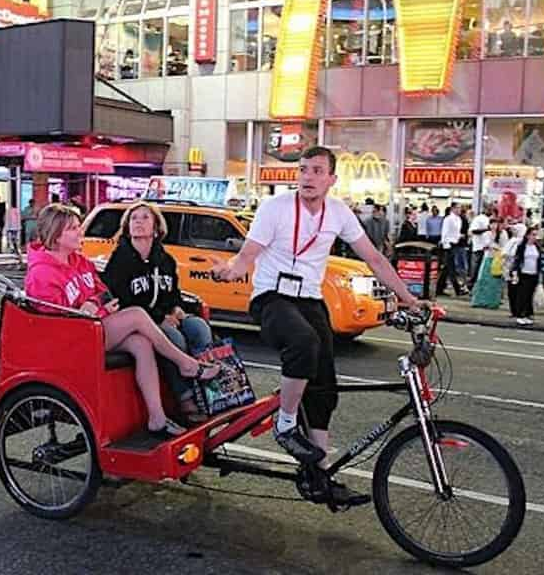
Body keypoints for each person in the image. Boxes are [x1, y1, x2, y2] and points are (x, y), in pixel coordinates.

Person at [211, 146, 429, 507]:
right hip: (272, 297)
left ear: (331, 179)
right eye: (302, 170)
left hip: (310, 301)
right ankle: (284, 426)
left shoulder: (339, 212)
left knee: (324, 384)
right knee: (304, 344)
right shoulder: (275, 207)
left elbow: (373, 257)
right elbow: (249, 254)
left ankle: (321, 473)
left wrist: (408, 297)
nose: (307, 177)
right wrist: (232, 269)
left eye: (316, 171)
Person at [25, 204, 218, 438]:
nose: (81, 232)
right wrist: (95, 310)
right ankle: (187, 365)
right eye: (73, 229)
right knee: (136, 315)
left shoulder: (79, 261)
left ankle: (157, 417)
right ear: (56, 234)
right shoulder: (42, 273)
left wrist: (95, 305)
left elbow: (104, 291)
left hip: (92, 326)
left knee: (141, 343)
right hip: (71, 339)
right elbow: (54, 320)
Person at [102, 202, 214, 423]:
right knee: (173, 337)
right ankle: (185, 399)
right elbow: (123, 301)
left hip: (166, 315)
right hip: (139, 322)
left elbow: (172, 293)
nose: (139, 223)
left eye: (145, 218)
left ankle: (210, 391)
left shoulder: (166, 260)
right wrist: (162, 318)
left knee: (199, 328)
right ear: (127, 227)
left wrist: (176, 310)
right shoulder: (119, 260)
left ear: (155, 228)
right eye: (134, 219)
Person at [509, 226, 544, 326]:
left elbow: (540, 260)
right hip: (524, 273)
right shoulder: (522, 247)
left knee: (529, 295)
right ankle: (520, 315)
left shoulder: (537, 247)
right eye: (533, 235)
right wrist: (515, 272)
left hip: (533, 273)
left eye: (536, 235)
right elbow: (517, 260)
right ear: (528, 235)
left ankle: (528, 314)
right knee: (522, 295)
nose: (535, 237)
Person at [470, 218, 509, 309]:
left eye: (496, 224)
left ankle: (493, 302)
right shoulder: (486, 234)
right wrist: (494, 247)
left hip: (498, 260)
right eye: (492, 224)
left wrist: (495, 247)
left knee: (495, 282)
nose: (494, 226)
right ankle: (480, 301)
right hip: (488, 258)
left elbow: (504, 246)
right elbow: (486, 245)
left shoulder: (503, 234)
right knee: (484, 280)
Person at [436, 203, 466, 296]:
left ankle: (439, 288)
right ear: (452, 209)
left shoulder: (459, 219)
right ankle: (457, 289)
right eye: (457, 208)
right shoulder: (448, 219)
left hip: (455, 244)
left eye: (460, 208)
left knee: (447, 268)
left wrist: (459, 236)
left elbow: (456, 232)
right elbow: (444, 232)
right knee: (451, 267)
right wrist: (446, 244)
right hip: (448, 245)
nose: (459, 210)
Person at [468, 206, 493, 288]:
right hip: (478, 247)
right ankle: (471, 286)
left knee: (482, 269)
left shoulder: (490, 219)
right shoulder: (479, 218)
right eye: (489, 209)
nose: (490, 211)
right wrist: (487, 229)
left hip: (487, 248)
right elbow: (473, 230)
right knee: (475, 268)